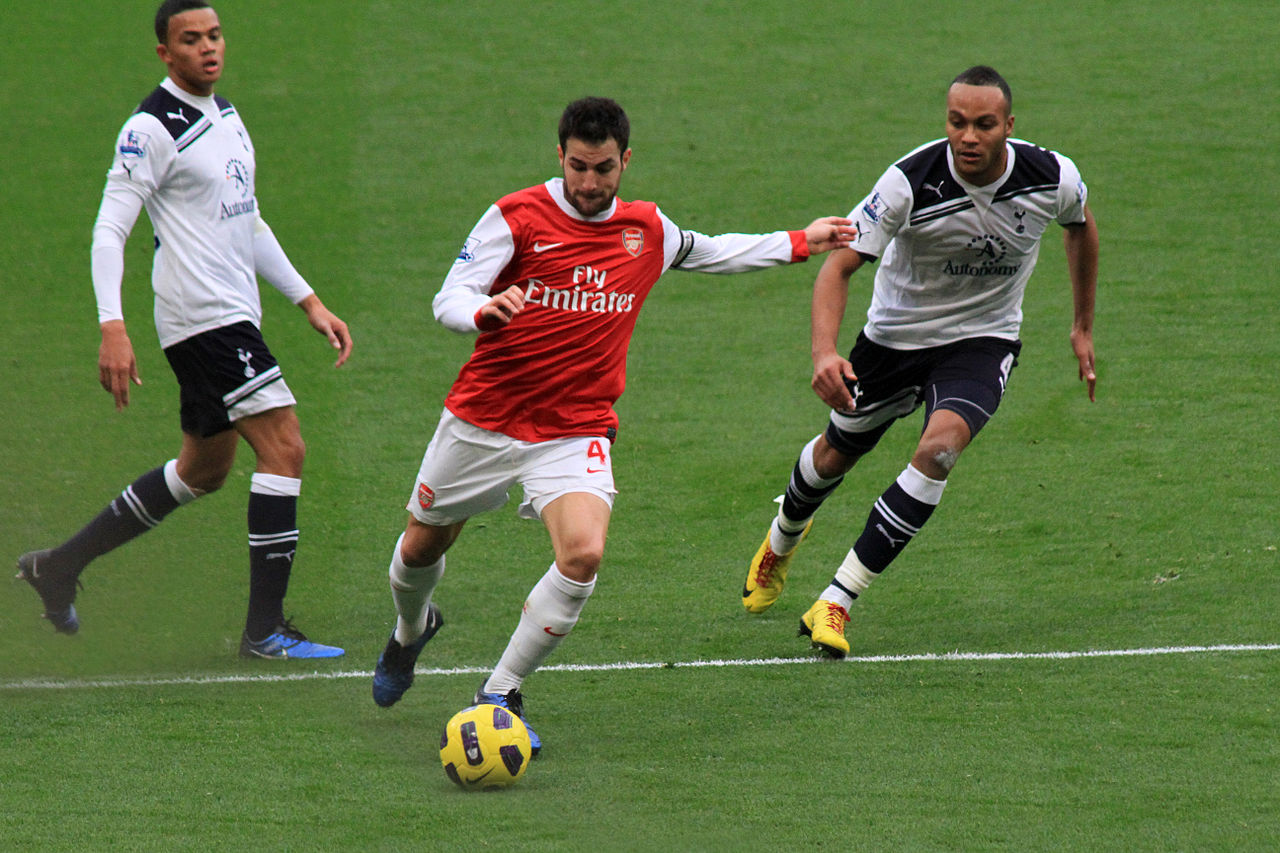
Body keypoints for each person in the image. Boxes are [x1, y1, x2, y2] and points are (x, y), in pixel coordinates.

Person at [370, 96, 855, 752]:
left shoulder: (645, 230)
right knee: (421, 549)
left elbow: (712, 251)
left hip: (575, 428)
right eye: (577, 168)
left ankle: (499, 691)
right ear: (559, 158)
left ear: (625, 161)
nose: (590, 183)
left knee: (584, 554)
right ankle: (409, 632)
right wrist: (483, 311)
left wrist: (803, 242)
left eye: (603, 169)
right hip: (484, 420)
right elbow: (448, 295)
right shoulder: (517, 216)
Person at [15, 0, 353, 659]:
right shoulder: (151, 127)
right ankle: (265, 629)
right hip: (204, 317)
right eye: (191, 40)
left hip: (231, 310)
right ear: (166, 54)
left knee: (202, 469)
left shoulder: (225, 116)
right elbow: (110, 228)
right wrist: (112, 324)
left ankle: (56, 566)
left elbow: (247, 219)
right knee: (285, 446)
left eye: (215, 35)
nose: (208, 48)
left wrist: (307, 299)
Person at [741, 66, 1099, 657]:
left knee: (938, 451)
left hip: (982, 341)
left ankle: (836, 601)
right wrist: (825, 353)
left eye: (985, 125)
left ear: (1009, 126)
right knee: (834, 455)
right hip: (894, 341)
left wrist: (1082, 325)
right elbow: (839, 265)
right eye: (958, 122)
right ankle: (781, 541)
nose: (969, 137)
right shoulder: (909, 182)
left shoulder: (1052, 177)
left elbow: (1080, 229)